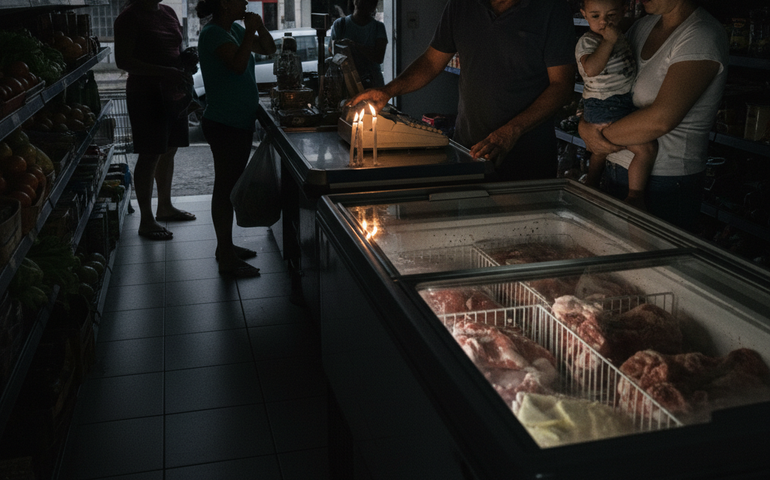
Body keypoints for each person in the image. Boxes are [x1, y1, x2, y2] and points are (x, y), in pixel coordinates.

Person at [350, 0, 576, 181]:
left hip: (529, 159)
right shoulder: (461, 6)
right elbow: (431, 62)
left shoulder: (551, 8)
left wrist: (511, 131)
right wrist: (388, 91)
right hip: (470, 152)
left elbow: (562, 85)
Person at [578, 0, 728, 232]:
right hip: (617, 168)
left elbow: (661, 120)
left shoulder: (700, 35)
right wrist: (585, 126)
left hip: (665, 181)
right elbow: (606, 84)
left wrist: (598, 136)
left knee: (650, 266)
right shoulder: (643, 26)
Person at [195, 0, 276, 278]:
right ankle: (226, 255)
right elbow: (238, 66)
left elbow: (269, 49)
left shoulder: (235, 30)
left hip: (238, 122)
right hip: (224, 123)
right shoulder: (213, 33)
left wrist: (259, 28)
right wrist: (250, 30)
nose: (245, 2)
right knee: (225, 188)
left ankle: (225, 247)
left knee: (229, 186)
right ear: (225, 4)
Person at [114, 0, 198, 241]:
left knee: (169, 149)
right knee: (150, 153)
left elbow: (172, 49)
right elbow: (124, 61)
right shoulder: (129, 17)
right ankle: (146, 220)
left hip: (173, 92)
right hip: (145, 95)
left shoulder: (168, 12)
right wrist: (164, 71)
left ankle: (165, 206)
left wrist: (185, 59)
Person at [577, 0, 657, 210]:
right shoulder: (589, 41)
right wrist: (609, 42)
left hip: (616, 101)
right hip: (606, 105)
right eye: (595, 16)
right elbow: (591, 69)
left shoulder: (622, 32)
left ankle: (591, 183)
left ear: (622, 12)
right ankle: (635, 195)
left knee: (600, 149)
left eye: (611, 15)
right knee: (646, 148)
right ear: (584, 15)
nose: (604, 22)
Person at [329, 0, 388, 88]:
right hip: (346, 83)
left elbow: (379, 57)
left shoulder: (378, 27)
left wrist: (354, 45)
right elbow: (331, 52)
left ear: (373, 5)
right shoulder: (340, 24)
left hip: (372, 83)